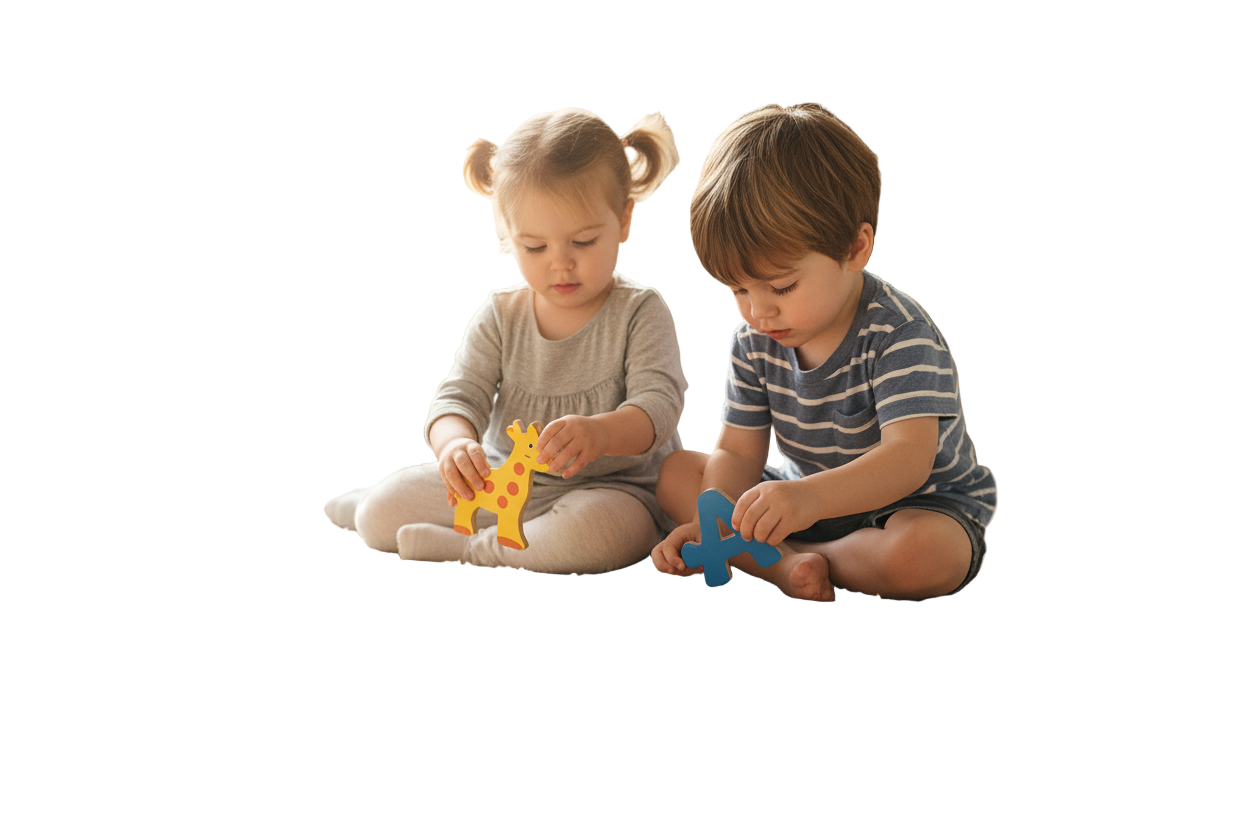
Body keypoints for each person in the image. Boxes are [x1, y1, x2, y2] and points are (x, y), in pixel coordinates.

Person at [650, 103, 996, 601]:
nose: (758, 311)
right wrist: (715, 520)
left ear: (855, 248)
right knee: (676, 474)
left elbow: (907, 460)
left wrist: (807, 500)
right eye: (738, 289)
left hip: (911, 505)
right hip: (797, 499)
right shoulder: (754, 339)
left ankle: (788, 558)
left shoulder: (899, 334)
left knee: (927, 555)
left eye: (781, 287)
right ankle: (787, 565)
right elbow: (739, 450)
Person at [324, 107, 686, 574]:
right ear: (509, 235)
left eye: (583, 242)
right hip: (501, 480)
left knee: (605, 537)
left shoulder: (641, 310)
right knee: (380, 515)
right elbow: (458, 396)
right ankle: (370, 504)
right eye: (535, 247)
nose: (560, 263)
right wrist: (455, 446)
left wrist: (602, 434)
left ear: (623, 220)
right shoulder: (500, 313)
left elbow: (659, 405)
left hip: (611, 490)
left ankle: (473, 549)